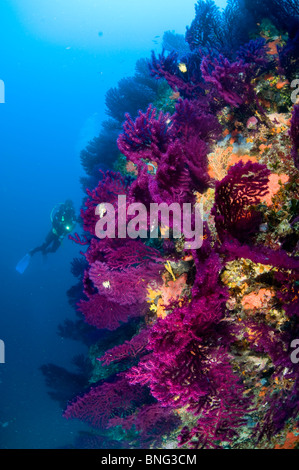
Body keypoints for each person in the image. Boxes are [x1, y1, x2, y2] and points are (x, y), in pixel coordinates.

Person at [16, 200, 77, 274]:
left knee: (54, 250)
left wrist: (66, 231)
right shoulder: (61, 210)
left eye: (69, 205)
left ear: (71, 206)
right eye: (67, 205)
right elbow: (54, 219)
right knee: (43, 246)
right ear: (65, 204)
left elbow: (73, 225)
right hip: (53, 232)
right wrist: (58, 225)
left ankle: (45, 251)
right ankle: (31, 252)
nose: (68, 207)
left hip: (61, 235)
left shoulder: (72, 213)